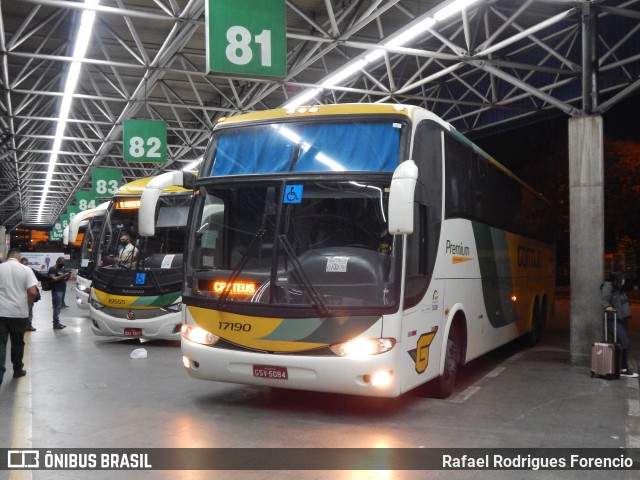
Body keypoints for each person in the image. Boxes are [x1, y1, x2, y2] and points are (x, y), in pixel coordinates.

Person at [0, 248, 38, 384]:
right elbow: (33, 292)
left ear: (8, 256)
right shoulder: (26, 270)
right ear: (18, 256)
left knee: (1, 343)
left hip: (1, 313)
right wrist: (27, 305)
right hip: (18, 313)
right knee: (17, 342)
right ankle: (17, 369)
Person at [601, 269, 638, 378]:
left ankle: (622, 368)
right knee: (625, 343)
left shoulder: (619, 288)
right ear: (617, 278)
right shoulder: (608, 286)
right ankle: (622, 368)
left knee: (623, 344)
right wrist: (610, 309)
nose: (623, 280)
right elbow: (604, 300)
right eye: (622, 278)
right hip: (613, 319)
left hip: (622, 319)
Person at [48, 256, 71, 330]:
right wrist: (64, 275)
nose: (63, 264)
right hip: (56, 290)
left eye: (64, 263)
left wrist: (68, 276)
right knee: (57, 307)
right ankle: (56, 323)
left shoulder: (62, 269)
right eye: (62, 263)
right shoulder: (52, 269)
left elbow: (65, 280)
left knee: (59, 307)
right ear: (58, 262)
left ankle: (57, 322)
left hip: (62, 290)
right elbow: (54, 279)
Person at [20, 257, 39, 331]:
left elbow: (40, 276)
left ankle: (28, 325)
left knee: (29, 310)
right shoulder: (17, 271)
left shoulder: (30, 271)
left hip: (28, 296)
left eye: (27, 264)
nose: (26, 266)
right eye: (24, 264)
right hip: (21, 296)